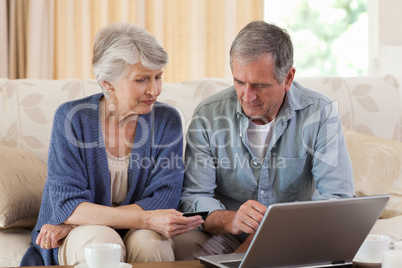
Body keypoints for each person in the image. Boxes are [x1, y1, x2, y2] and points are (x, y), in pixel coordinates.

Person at [20, 22, 203, 266]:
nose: (154, 90)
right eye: (141, 80)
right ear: (107, 83)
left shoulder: (167, 120)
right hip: (87, 232)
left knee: (151, 242)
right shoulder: (72, 118)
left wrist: (74, 220)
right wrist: (142, 219)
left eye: (158, 77)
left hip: (115, 229)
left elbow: (163, 200)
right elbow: (67, 204)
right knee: (101, 240)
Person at [173, 20, 354, 259]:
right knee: (184, 248)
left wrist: (265, 237)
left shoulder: (320, 113)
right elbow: (195, 196)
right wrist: (231, 220)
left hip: (295, 234)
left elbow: (336, 197)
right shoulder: (209, 114)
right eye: (239, 82)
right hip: (227, 233)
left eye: (259, 85)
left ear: (288, 79)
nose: (247, 96)